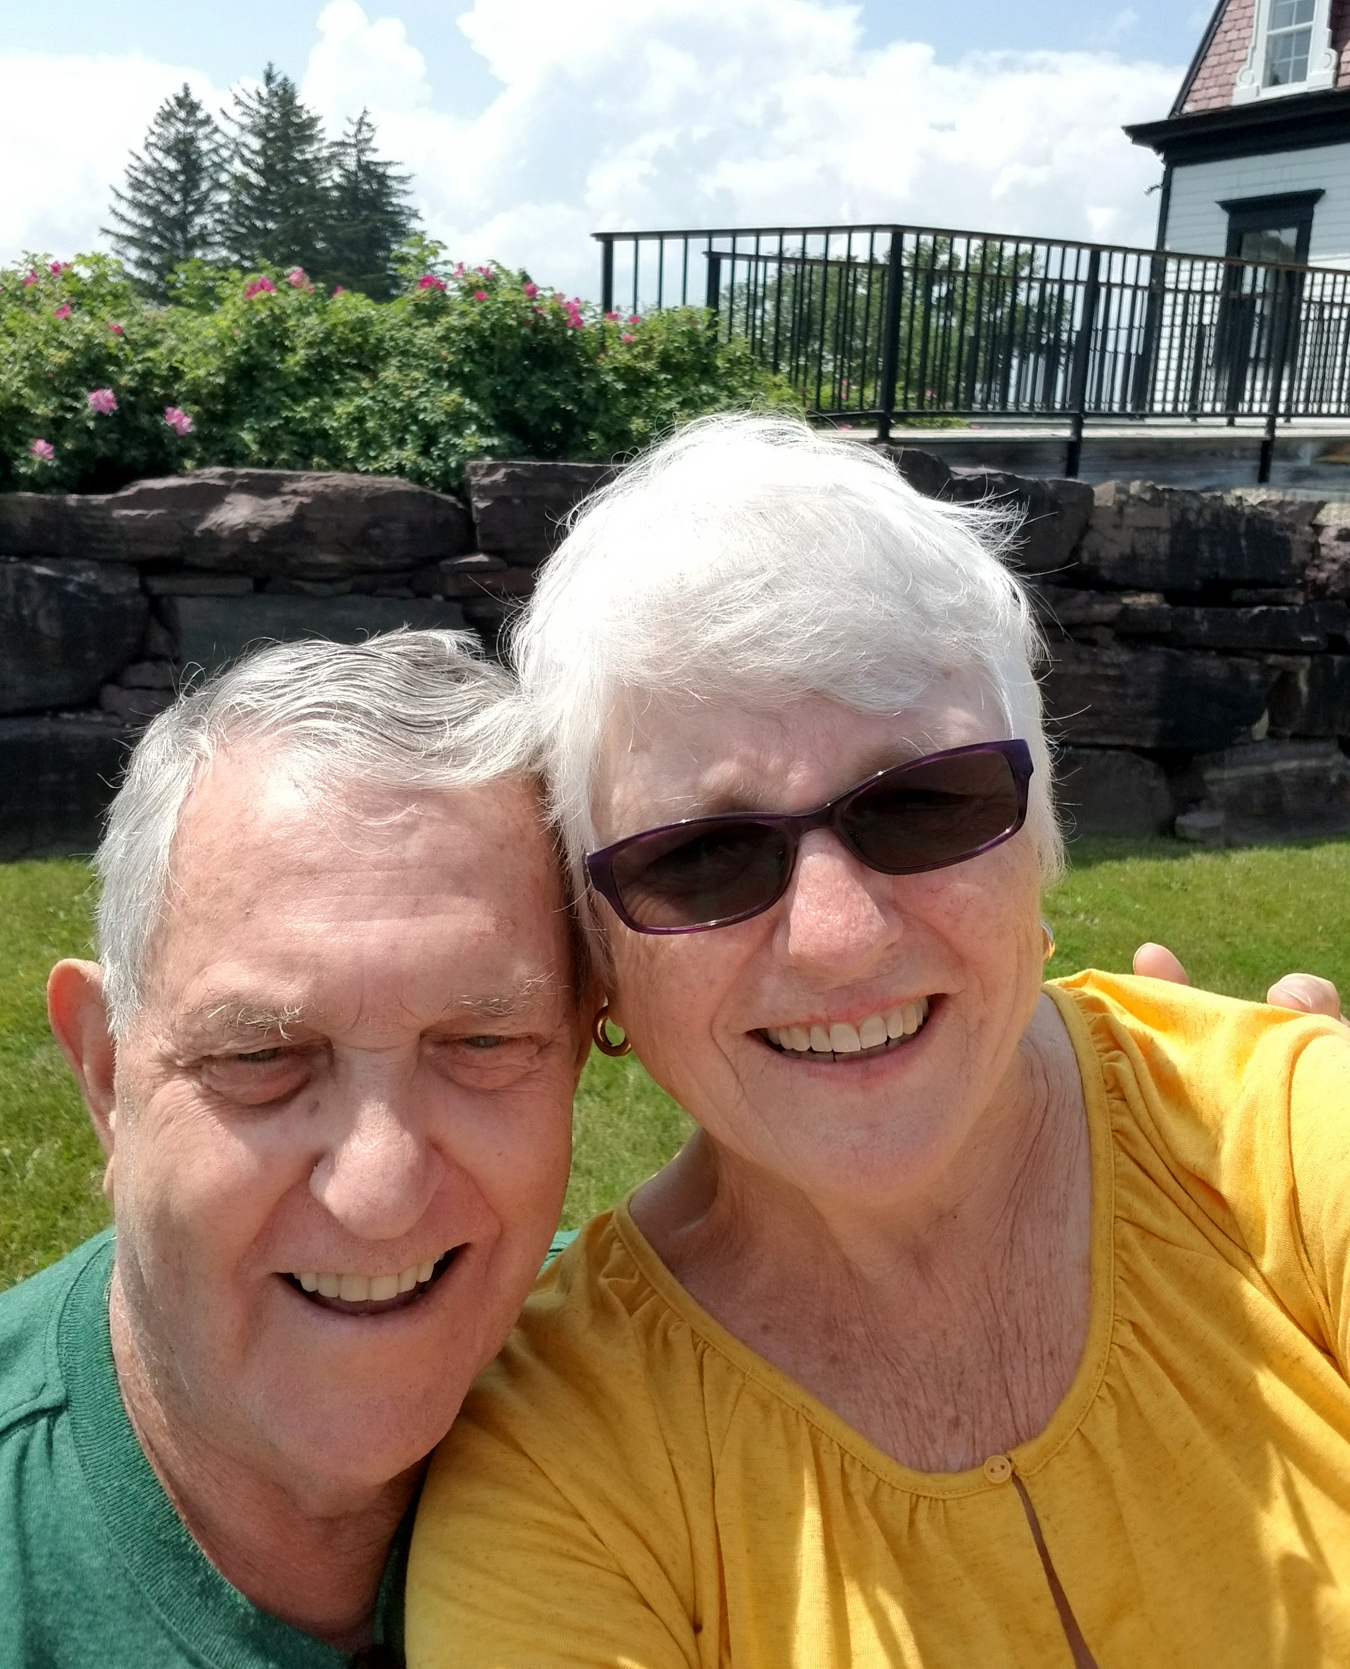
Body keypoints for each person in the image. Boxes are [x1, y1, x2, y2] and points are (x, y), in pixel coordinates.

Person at [408, 415, 1350, 1667]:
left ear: (1039, 838)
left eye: (926, 803)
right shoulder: (559, 1460)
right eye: (703, 856)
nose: (840, 940)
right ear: (603, 965)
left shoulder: (1291, 1142)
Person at [0, 630, 590, 1667]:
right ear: (104, 1071)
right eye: (261, 1055)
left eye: (482, 1043)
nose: (379, 1194)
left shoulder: (707, 1417)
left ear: (576, 1052)